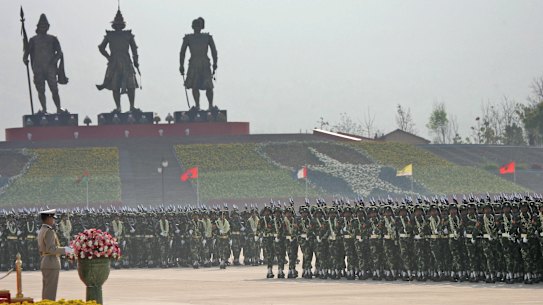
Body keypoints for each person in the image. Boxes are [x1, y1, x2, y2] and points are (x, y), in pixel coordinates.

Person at [23, 14, 68, 114]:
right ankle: (44, 109)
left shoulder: (53, 39)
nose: (43, 27)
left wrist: (54, 61)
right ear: (38, 27)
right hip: (38, 69)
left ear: (48, 26)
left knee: (54, 89)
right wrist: (25, 59)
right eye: (41, 25)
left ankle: (58, 108)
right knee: (41, 90)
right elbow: (26, 53)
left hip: (50, 68)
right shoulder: (33, 40)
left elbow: (59, 52)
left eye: (45, 25)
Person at [96, 9, 139, 112]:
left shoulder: (128, 35)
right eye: (117, 25)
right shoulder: (110, 35)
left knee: (131, 85)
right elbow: (101, 47)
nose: (118, 26)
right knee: (115, 85)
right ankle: (118, 107)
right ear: (114, 26)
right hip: (114, 62)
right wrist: (108, 57)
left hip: (126, 61)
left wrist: (136, 60)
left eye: (120, 25)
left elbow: (134, 49)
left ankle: (132, 106)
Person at [179, 17, 218, 111]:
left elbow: (214, 51)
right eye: (195, 26)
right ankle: (197, 105)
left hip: (205, 63)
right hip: (193, 64)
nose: (197, 27)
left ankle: (210, 105)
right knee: (194, 86)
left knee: (209, 86)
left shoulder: (207, 37)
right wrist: (181, 65)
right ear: (192, 27)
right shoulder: (188, 38)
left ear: (201, 27)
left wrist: (215, 63)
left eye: (198, 25)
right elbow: (182, 52)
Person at [37, 209, 73, 301]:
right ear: (48, 218)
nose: (54, 220)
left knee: (46, 290)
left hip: (45, 261)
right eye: (53, 218)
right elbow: (51, 249)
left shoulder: (42, 230)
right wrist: (65, 250)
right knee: (50, 291)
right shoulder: (49, 231)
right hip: (51, 262)